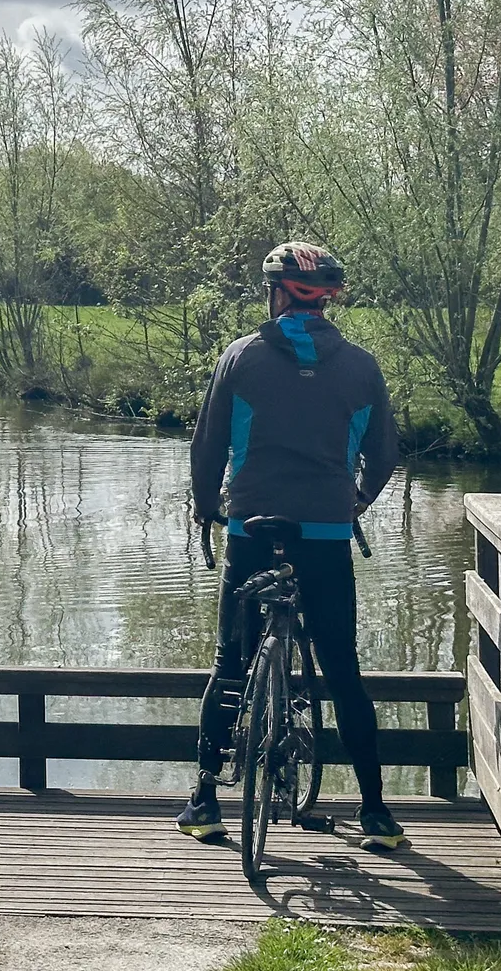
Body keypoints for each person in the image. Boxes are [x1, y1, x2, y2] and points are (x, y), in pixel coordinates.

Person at [176, 241, 406, 852]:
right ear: (326, 300)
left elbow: (208, 446)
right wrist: (357, 501)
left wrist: (207, 508)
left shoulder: (240, 358)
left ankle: (204, 801)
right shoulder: (362, 367)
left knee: (230, 665)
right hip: (327, 534)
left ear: (276, 293)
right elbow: (383, 455)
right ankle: (377, 814)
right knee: (341, 668)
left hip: (254, 528)